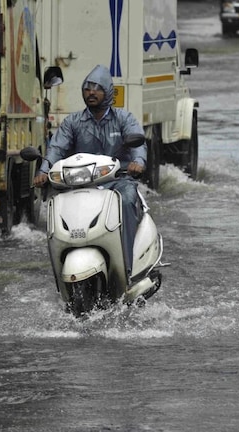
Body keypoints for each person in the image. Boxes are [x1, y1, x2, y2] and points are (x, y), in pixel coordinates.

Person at [33, 64, 147, 278]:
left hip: (117, 181)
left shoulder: (123, 119)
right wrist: (43, 171)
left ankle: (128, 264)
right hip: (80, 183)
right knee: (56, 206)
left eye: (97, 88)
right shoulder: (73, 122)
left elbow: (137, 143)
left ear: (108, 92)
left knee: (128, 199)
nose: (91, 92)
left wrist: (138, 162)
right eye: (87, 88)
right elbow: (57, 148)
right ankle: (59, 270)